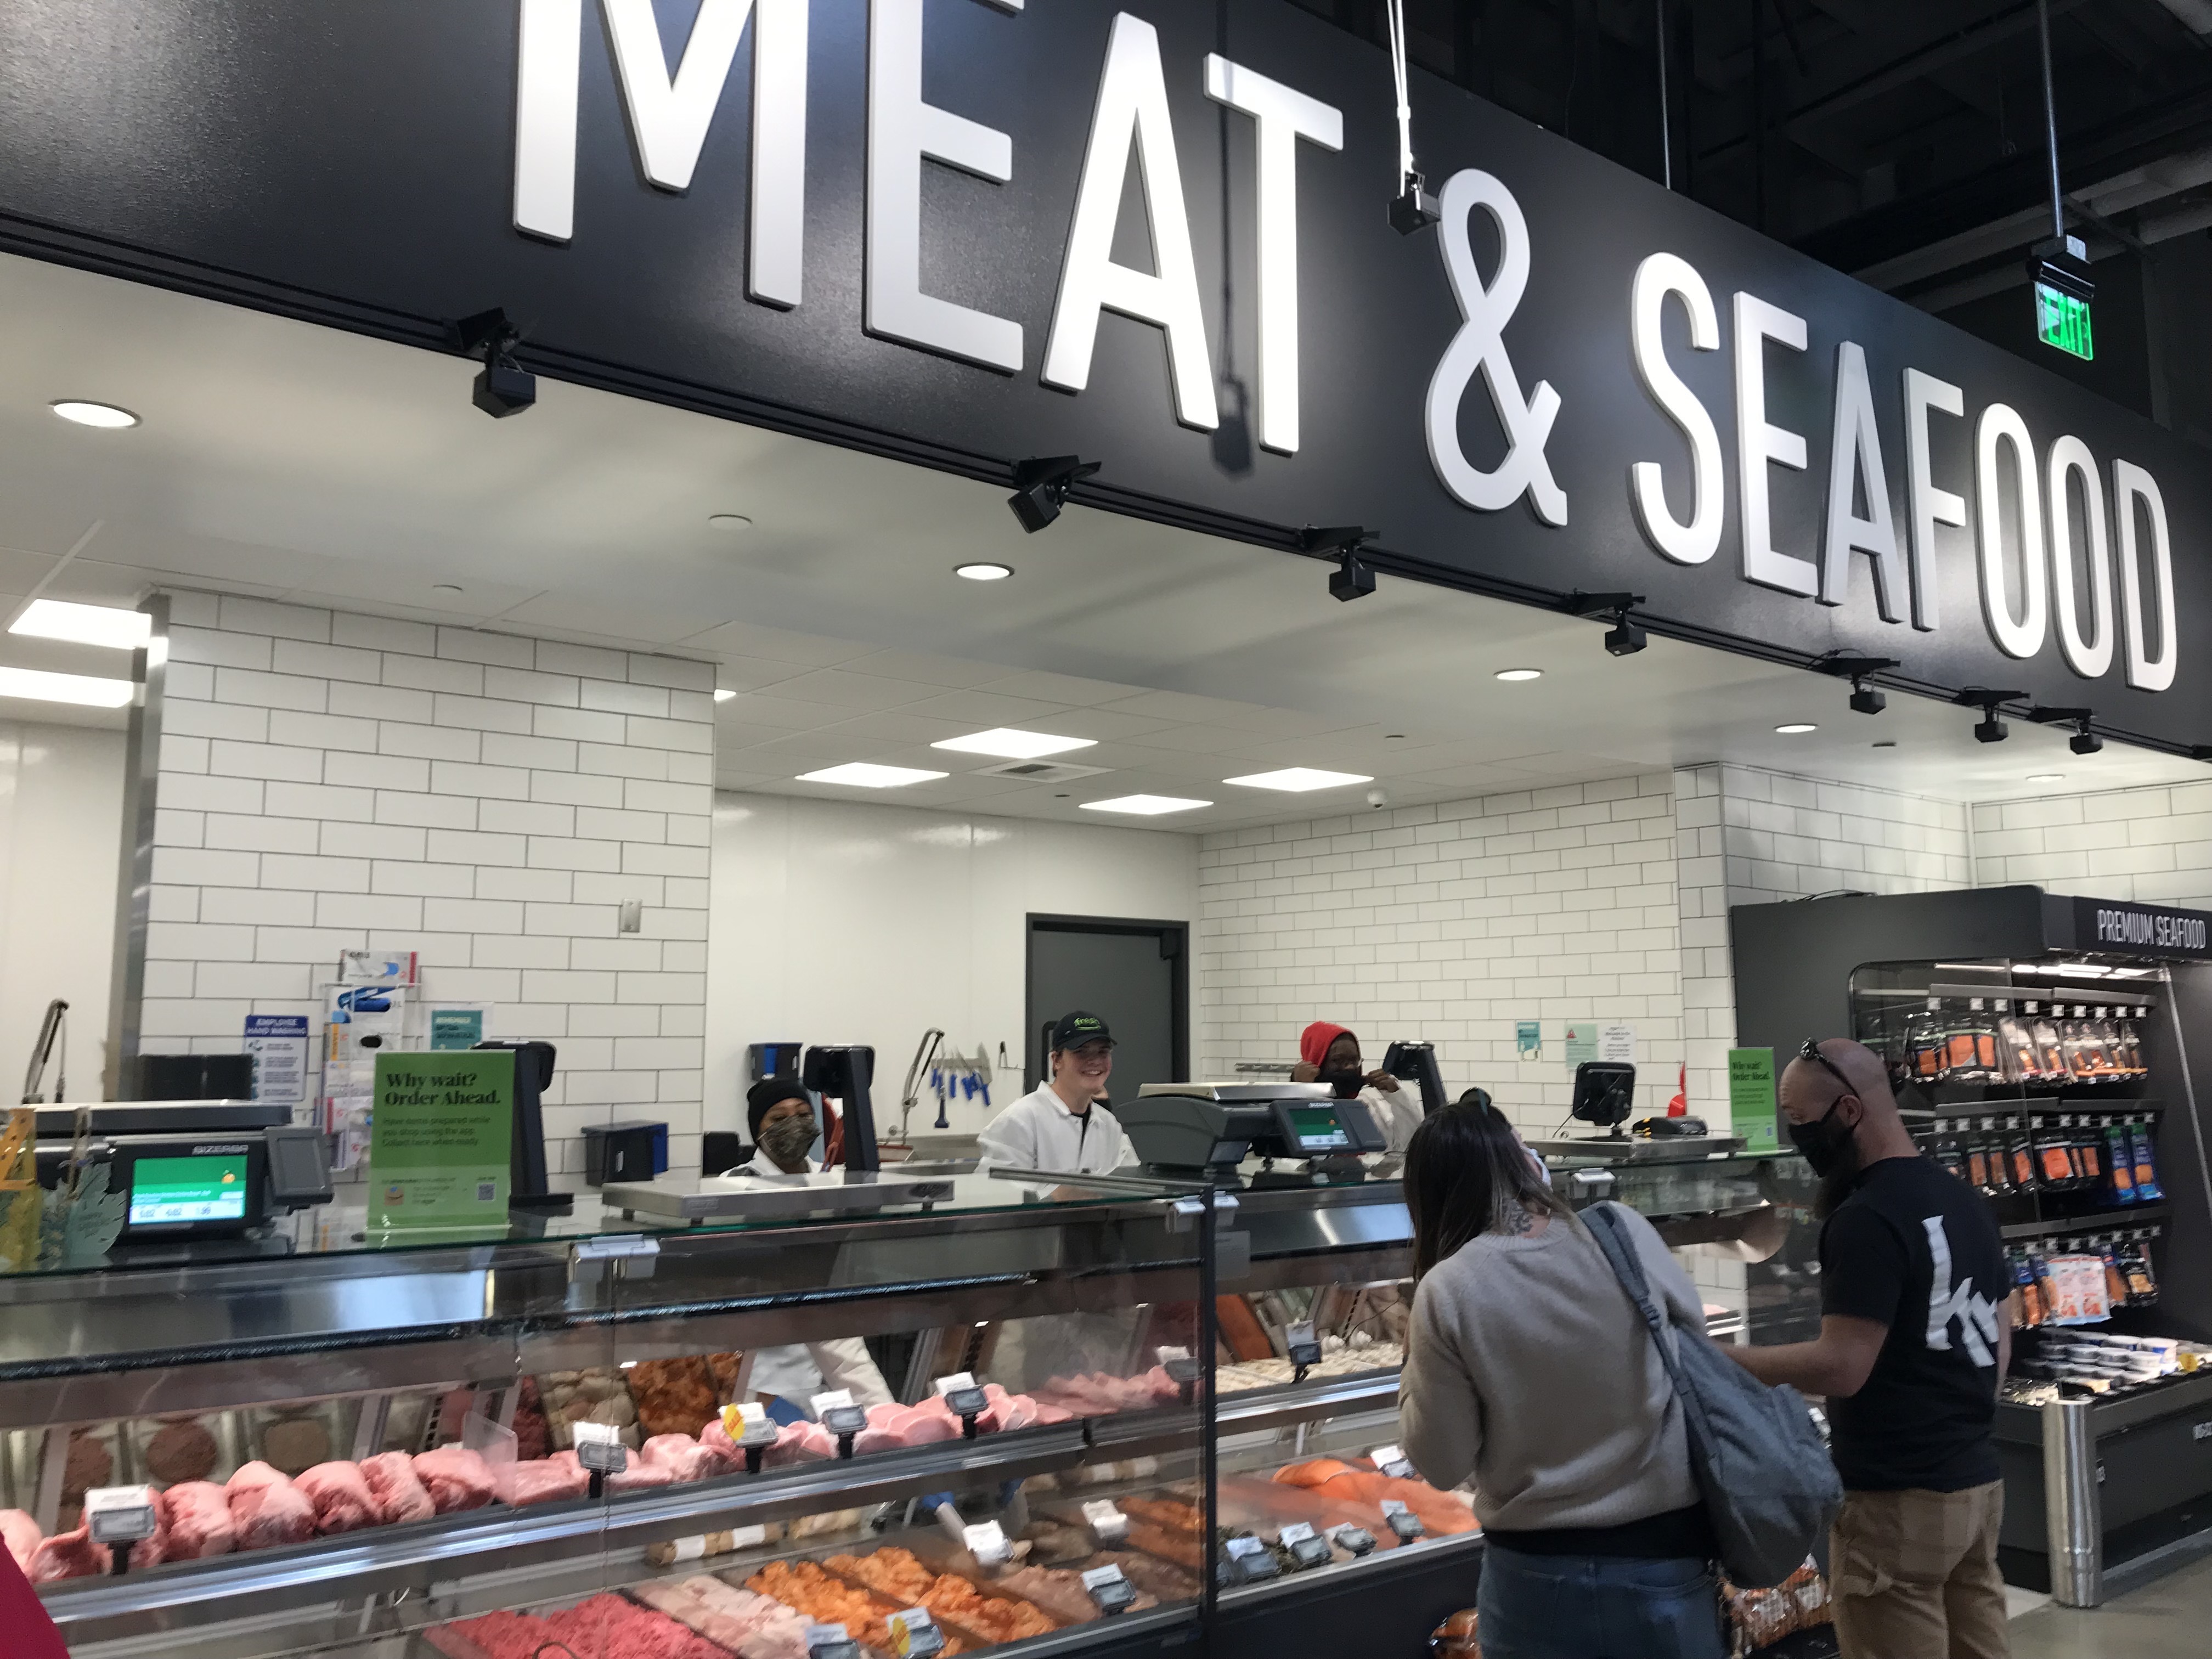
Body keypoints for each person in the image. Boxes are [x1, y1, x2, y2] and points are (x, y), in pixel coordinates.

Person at [1398, 1094, 1726, 1659]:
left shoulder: (1449, 1289)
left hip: (1536, 1581)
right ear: (1523, 1161)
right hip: (1665, 1560)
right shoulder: (1619, 1230)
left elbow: (1443, 1463)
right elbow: (1693, 1344)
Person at [1726, 1039, 2012, 1659]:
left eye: (1801, 1122)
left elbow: (1843, 1366)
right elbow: (2000, 1332)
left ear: (1849, 1112)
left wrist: (1714, 1358)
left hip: (1895, 1502)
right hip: (1976, 1484)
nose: (1797, 1137)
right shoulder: (1961, 1197)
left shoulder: (1867, 1218)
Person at [728, 1077, 894, 1418]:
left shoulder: (831, 1180)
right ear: (757, 1130)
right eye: (778, 1118)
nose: (794, 1125)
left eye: (803, 1114)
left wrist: (889, 1420)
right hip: (759, 1378)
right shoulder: (734, 1187)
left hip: (825, 1367)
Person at [977, 1011, 1132, 1176]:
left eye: (1103, 1052)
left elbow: (1133, 1180)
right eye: (1081, 1052)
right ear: (1057, 1060)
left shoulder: (1109, 1126)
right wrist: (1057, 1193)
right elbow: (995, 1190)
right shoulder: (1020, 1120)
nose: (1095, 1061)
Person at [1291, 1021, 1423, 1155]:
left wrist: (1396, 1094)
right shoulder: (1295, 1108)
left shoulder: (1369, 1107)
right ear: (1316, 1062)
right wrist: (1302, 1089)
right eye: (1338, 1061)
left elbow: (1411, 1142)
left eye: (1354, 1061)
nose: (1349, 1067)